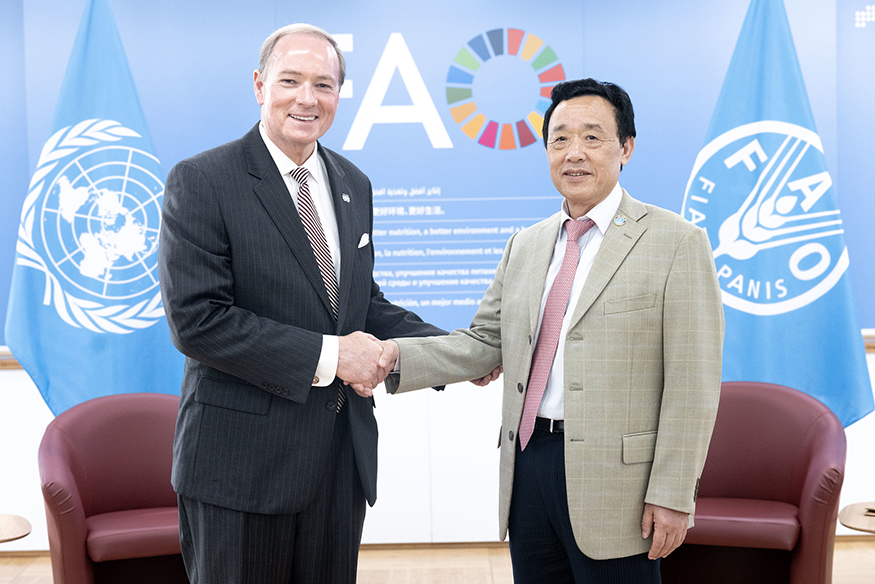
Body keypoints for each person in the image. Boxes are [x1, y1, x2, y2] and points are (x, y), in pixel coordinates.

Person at [375, 78, 725, 583]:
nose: (573, 153)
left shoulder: (675, 242)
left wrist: (673, 492)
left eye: (592, 137)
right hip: (528, 465)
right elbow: (486, 342)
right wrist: (394, 357)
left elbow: (693, 384)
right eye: (559, 139)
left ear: (626, 147)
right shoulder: (526, 244)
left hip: (619, 484)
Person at [158, 23, 447, 584]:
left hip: (338, 466)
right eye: (291, 80)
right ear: (260, 85)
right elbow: (198, 322)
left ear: (340, 95)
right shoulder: (202, 180)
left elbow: (360, 303)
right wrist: (334, 357)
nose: (307, 98)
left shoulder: (352, 183)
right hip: (239, 469)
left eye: (324, 84)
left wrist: (455, 352)